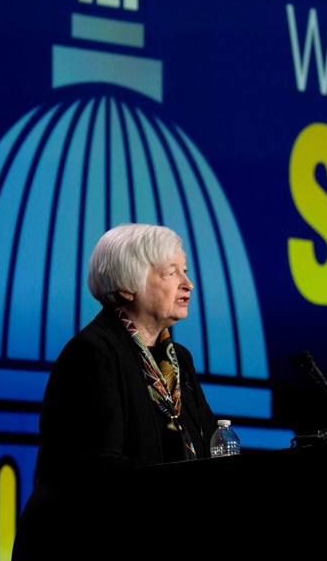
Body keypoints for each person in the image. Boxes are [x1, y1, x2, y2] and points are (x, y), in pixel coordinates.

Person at [12, 223, 219, 559]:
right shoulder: (92, 353)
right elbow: (97, 467)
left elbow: (211, 446)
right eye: (171, 272)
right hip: (86, 539)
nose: (188, 283)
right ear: (126, 287)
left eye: (185, 270)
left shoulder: (177, 360)